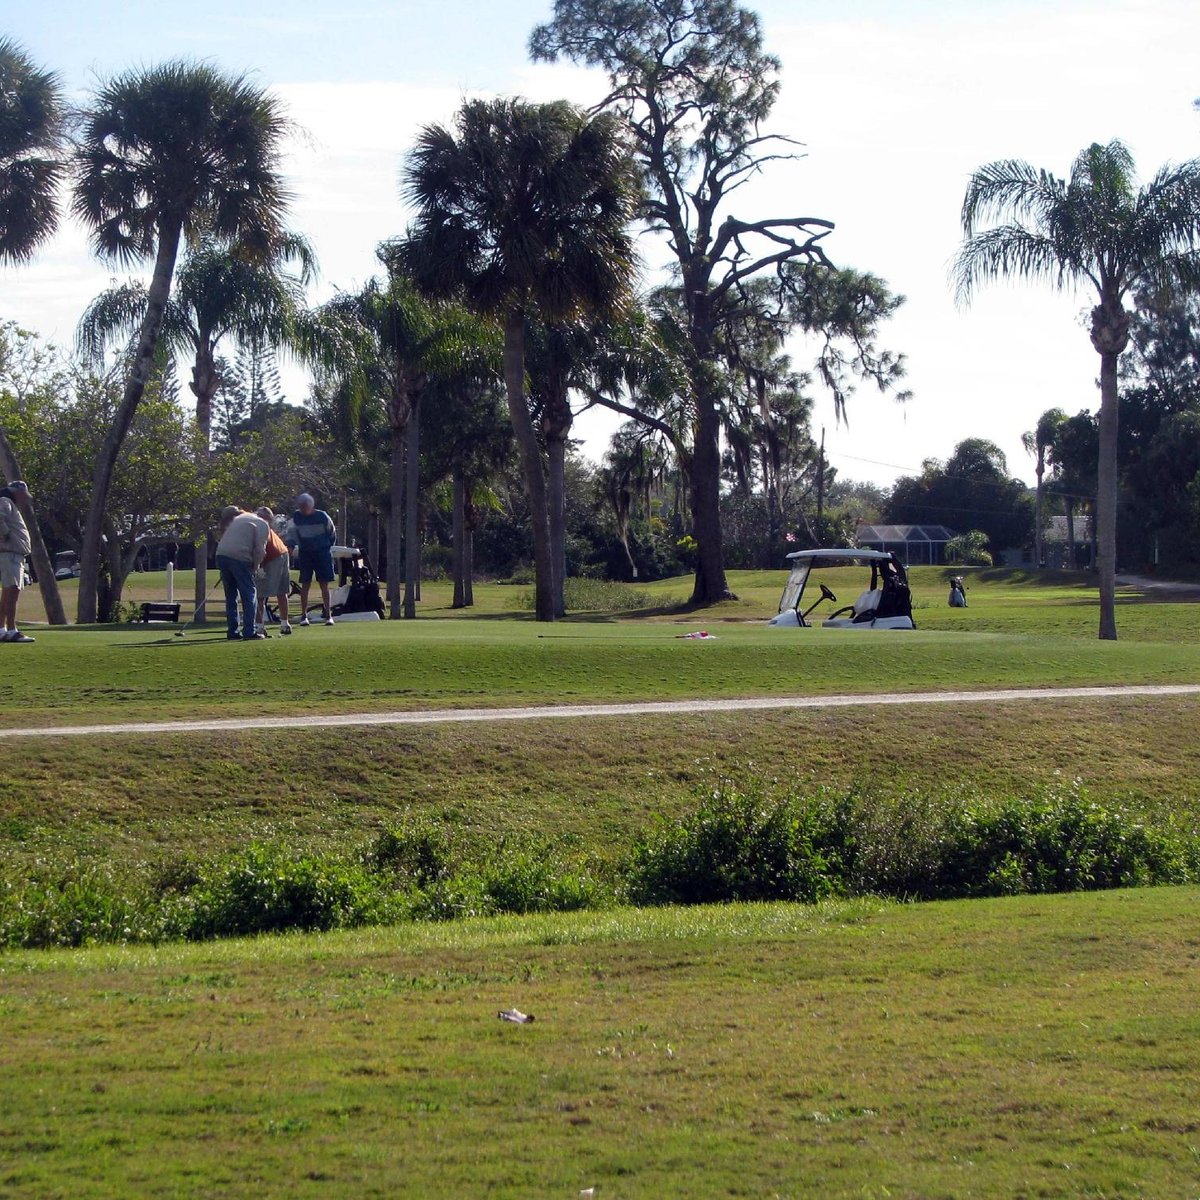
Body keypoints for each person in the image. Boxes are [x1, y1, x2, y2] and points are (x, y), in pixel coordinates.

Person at [214, 505, 269, 641]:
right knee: (249, 593)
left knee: (231, 596)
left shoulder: (240, 518)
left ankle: (232, 631)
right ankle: (249, 631)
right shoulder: (262, 524)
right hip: (239, 557)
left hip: (221, 555)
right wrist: (255, 566)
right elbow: (260, 550)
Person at [287, 492, 337, 626]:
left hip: (322, 553)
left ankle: (328, 615)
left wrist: (326, 547)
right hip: (305, 553)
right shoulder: (296, 517)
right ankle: (304, 616)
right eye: (301, 507)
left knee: (324, 584)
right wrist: (291, 545)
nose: (302, 509)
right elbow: (291, 533)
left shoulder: (322, 516)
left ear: (310, 506)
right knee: (305, 583)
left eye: (304, 507)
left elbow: (331, 533)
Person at [0, 481, 34, 643]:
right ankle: (11, 629)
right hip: (10, 553)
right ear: (17, 492)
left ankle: (2, 629)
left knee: (9, 592)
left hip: (13, 554)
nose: (25, 499)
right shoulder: (5, 501)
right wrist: (6, 535)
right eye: (24, 495)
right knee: (12, 591)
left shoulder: (9, 503)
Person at [253, 506, 293, 637]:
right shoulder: (263, 527)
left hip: (273, 556)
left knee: (259, 594)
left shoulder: (258, 528)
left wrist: (257, 567)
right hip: (283, 553)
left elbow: (261, 551)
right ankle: (284, 624)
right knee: (281, 592)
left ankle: (259, 627)